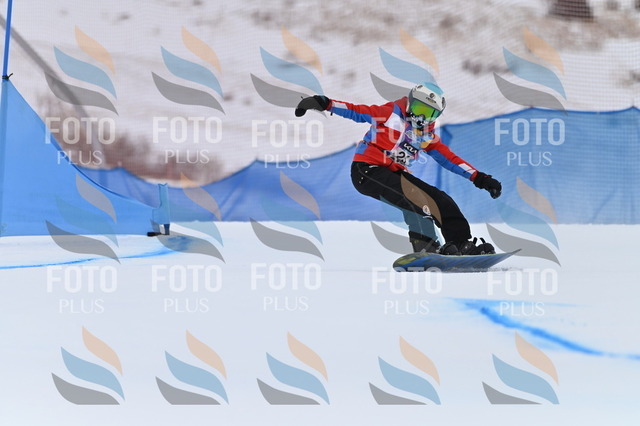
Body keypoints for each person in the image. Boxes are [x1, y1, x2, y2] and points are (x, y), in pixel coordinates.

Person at [294, 82, 502, 255]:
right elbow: (356, 111)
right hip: (367, 170)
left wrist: (479, 177)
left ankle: (461, 244)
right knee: (416, 200)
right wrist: (325, 103)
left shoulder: (425, 135)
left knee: (440, 199)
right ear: (410, 102)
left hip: (394, 173)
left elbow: (449, 159)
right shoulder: (389, 114)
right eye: (419, 109)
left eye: (429, 113)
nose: (422, 117)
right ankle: (426, 248)